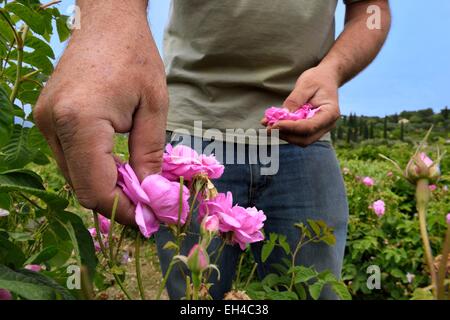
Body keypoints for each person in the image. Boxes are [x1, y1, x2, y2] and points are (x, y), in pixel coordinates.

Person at [34, 0, 391, 299]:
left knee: (315, 291)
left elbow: (370, 9)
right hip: (193, 138)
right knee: (194, 296)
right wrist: (106, 29)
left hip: (303, 134)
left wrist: (332, 70)